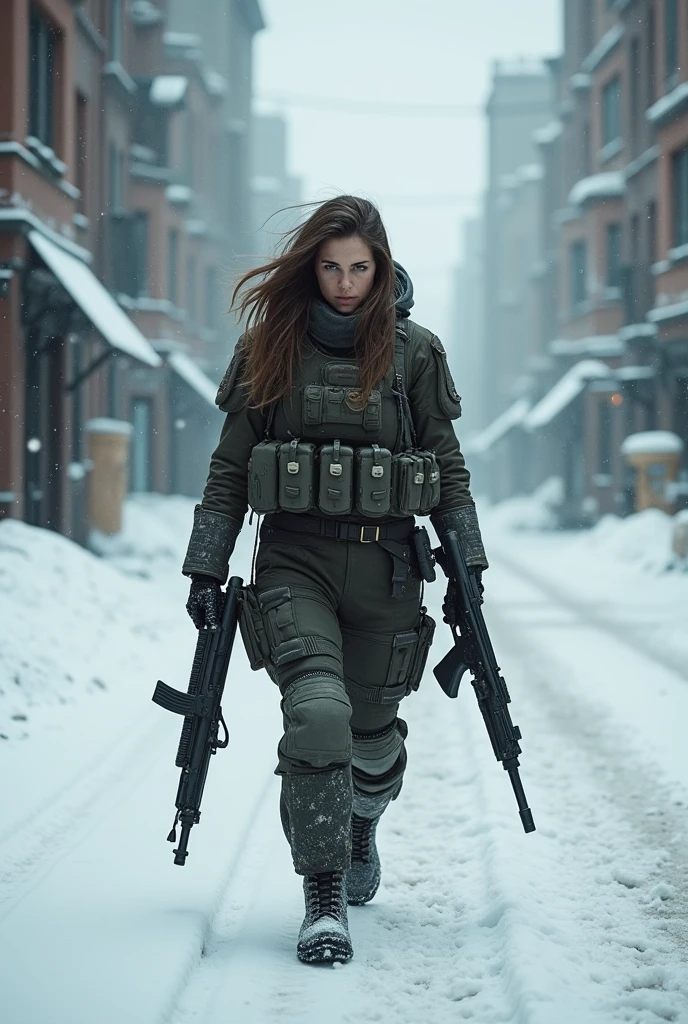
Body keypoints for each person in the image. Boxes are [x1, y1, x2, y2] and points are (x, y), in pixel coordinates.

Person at [181, 196, 488, 965]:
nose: (345, 283)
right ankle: (322, 897)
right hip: (295, 564)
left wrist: (468, 567)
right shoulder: (271, 349)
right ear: (310, 267)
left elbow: (447, 469)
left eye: (359, 267)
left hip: (387, 571)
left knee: (372, 744)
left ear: (380, 268)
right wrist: (205, 565)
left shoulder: (414, 353)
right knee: (318, 716)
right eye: (330, 266)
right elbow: (228, 471)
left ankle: (359, 824)